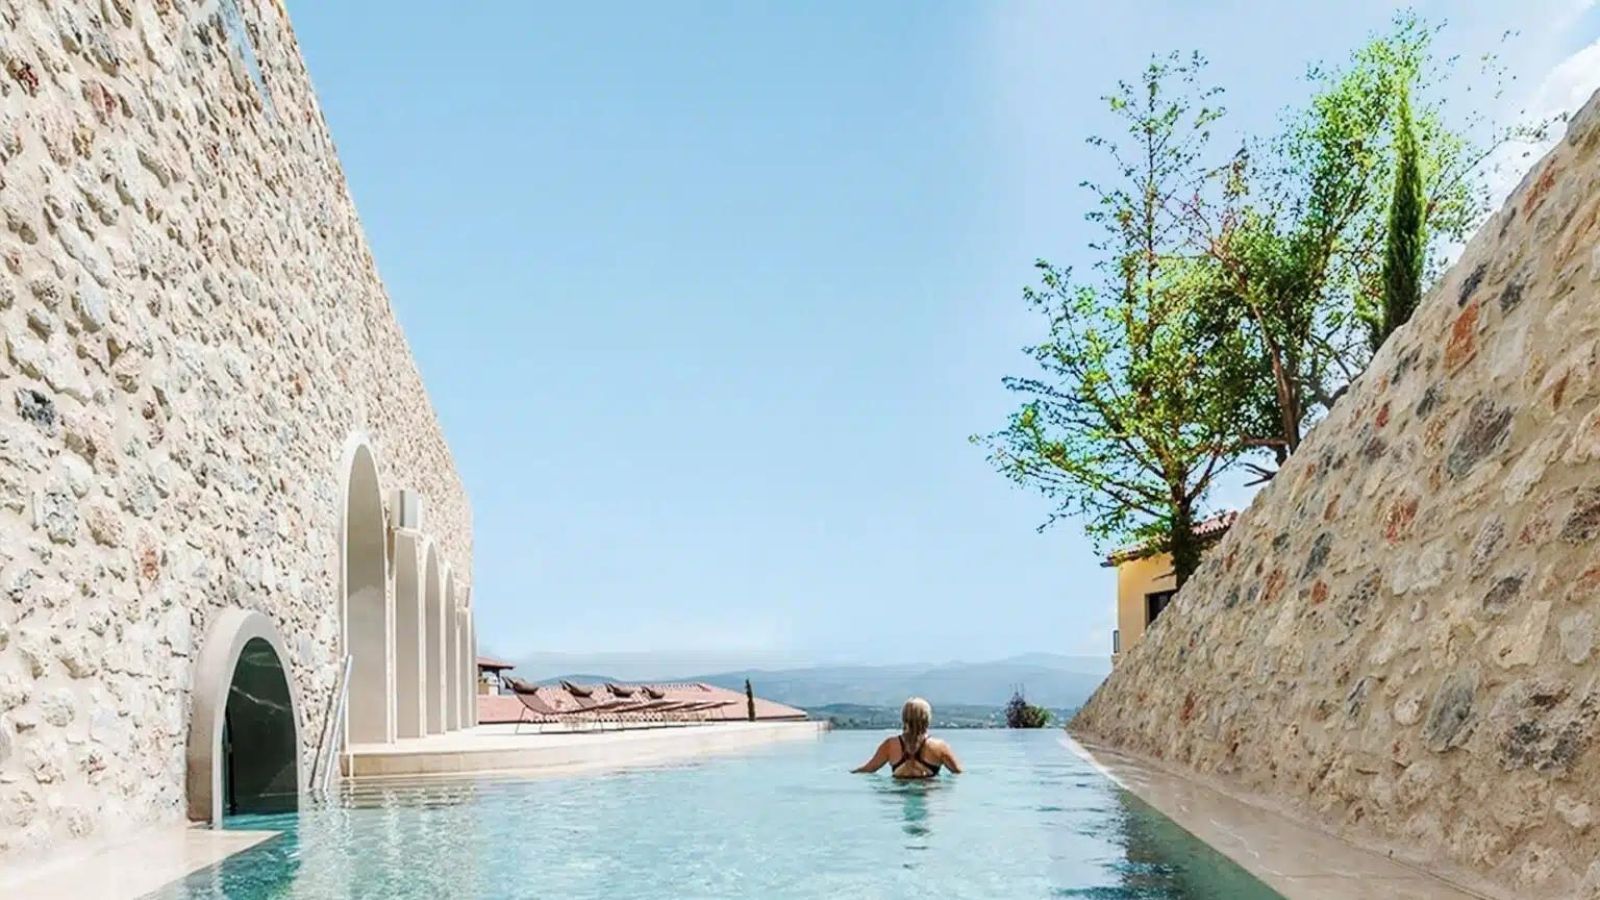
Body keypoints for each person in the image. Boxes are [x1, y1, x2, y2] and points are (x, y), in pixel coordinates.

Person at [852, 697, 962, 778]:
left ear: (904, 718)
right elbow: (958, 773)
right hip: (927, 791)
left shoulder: (891, 745)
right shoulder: (939, 746)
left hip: (900, 792)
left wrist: (849, 773)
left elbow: (868, 769)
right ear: (927, 718)